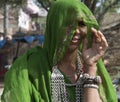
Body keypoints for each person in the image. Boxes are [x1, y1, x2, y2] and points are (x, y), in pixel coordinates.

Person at [1, 0, 117, 102]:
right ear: (54, 26)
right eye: (68, 24)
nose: (76, 31)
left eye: (81, 24)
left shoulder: (90, 68)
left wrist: (91, 67)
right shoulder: (28, 67)